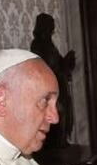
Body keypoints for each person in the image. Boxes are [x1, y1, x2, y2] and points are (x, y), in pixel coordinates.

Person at [30, 12, 75, 148]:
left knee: (64, 113)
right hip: (50, 87)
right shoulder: (37, 44)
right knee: (56, 112)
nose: (52, 30)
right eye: (50, 27)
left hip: (59, 83)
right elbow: (45, 65)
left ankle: (62, 141)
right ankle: (56, 143)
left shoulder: (50, 44)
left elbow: (59, 62)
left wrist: (67, 60)